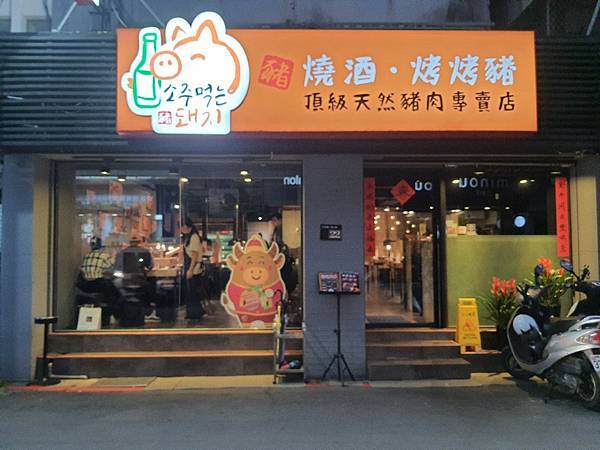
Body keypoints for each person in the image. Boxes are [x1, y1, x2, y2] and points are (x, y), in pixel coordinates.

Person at [76, 236, 120, 308]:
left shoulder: (87, 255)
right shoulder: (103, 256)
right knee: (115, 292)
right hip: (98, 284)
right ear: (100, 246)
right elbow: (112, 264)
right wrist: (114, 255)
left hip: (85, 285)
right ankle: (112, 310)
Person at [181, 218, 206, 319]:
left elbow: (194, 256)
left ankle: (195, 313)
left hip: (194, 267)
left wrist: (190, 270)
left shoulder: (194, 237)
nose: (182, 229)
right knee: (190, 291)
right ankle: (193, 313)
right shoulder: (188, 237)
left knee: (192, 291)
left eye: (183, 227)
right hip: (190, 265)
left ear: (189, 227)